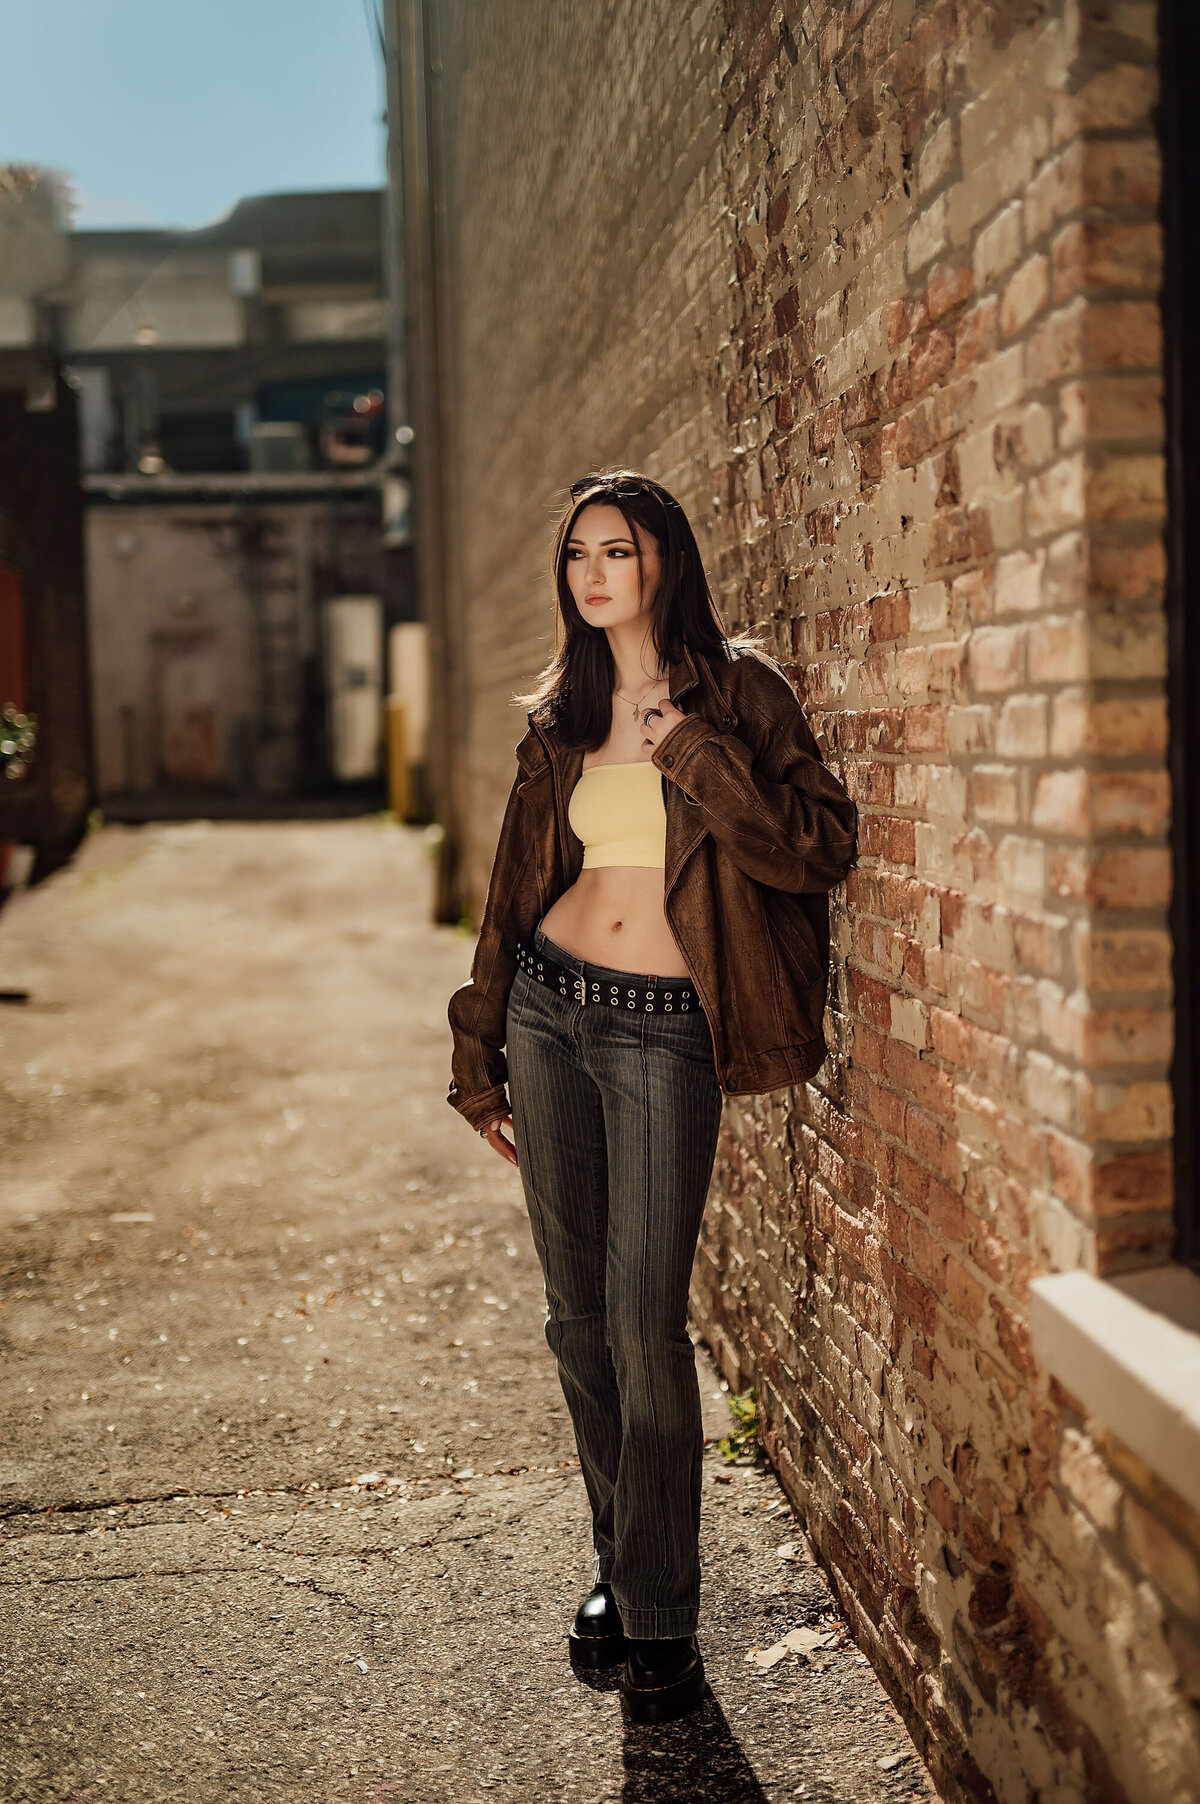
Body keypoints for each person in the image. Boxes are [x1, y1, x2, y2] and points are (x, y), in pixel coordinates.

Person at [446, 469, 857, 1723]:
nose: (592, 573)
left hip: (665, 1031)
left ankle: (664, 1619)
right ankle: (625, 1577)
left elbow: (814, 845)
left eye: (615, 550)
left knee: (644, 1323)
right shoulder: (561, 712)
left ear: (664, 559)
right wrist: (479, 1045)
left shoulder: (737, 689)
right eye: (577, 553)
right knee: (577, 1322)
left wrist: (688, 741)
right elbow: (515, 889)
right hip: (549, 1011)